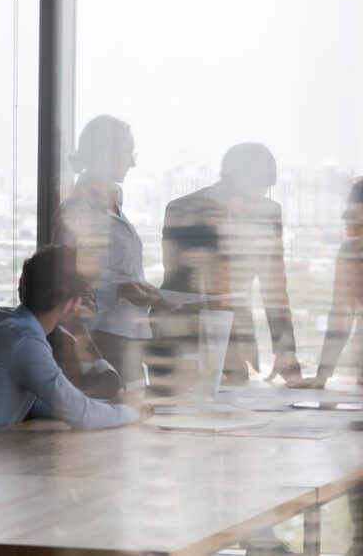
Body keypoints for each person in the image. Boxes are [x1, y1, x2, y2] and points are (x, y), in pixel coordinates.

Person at [0, 245, 142, 442]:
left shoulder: (1, 320)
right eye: (83, 297)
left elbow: (44, 405)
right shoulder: (25, 342)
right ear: (70, 303)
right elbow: (81, 415)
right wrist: (133, 412)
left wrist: (110, 408)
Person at [161, 143, 301, 384]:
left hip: (234, 335)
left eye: (264, 190)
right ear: (229, 180)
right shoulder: (182, 209)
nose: (259, 197)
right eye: (253, 189)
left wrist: (284, 349)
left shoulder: (268, 212)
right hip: (184, 334)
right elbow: (176, 282)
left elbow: (274, 285)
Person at [52, 115, 169, 383]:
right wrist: (119, 290)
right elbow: (65, 284)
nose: (133, 161)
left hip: (127, 340)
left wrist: (145, 292)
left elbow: (111, 272)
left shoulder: (111, 205)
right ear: (106, 153)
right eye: (128, 152)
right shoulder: (77, 212)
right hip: (99, 342)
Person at [293, 177, 363, 389]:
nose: (344, 218)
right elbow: (341, 314)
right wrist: (322, 376)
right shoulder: (349, 251)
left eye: (354, 212)